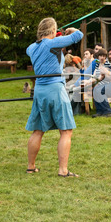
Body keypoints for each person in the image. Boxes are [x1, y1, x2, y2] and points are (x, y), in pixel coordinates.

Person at [25, 17, 84, 176]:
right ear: (52, 31)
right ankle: (63, 170)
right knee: (66, 131)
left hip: (40, 90)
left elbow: (43, 47)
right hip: (55, 89)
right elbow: (78, 36)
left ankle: (31, 166)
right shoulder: (52, 44)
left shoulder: (31, 48)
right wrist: (71, 31)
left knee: (37, 131)